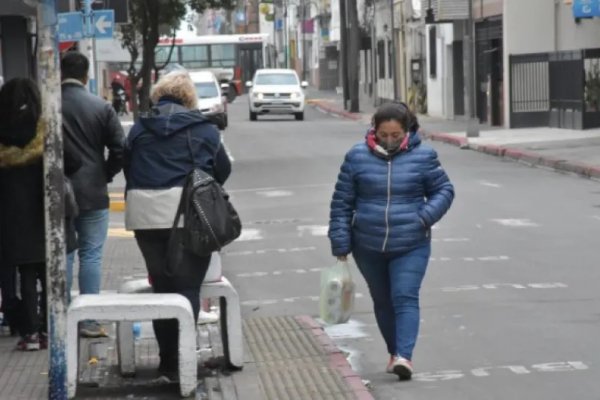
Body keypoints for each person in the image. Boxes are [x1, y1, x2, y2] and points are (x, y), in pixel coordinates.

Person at [328, 102, 454, 380]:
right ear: (374, 130)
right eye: (384, 134)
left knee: (404, 296)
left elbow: (444, 190)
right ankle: (394, 351)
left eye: (396, 135)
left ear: (407, 131)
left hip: (411, 243)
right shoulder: (356, 157)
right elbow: (342, 202)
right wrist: (340, 240)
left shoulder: (424, 156)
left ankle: (404, 357)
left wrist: (423, 218)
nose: (389, 140)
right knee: (382, 300)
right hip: (367, 244)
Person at [124, 71, 231, 380]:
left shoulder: (140, 128)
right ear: (189, 97)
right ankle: (185, 360)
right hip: (189, 215)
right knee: (187, 287)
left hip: (145, 214)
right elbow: (221, 169)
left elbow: (128, 168)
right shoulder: (205, 130)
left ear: (159, 96)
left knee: (162, 287)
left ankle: (167, 361)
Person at [0, 78, 81, 350]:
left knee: (24, 271)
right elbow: (74, 161)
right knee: (49, 272)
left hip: (11, 216)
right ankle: (50, 329)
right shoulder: (47, 128)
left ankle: (30, 333)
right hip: (45, 210)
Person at [61, 51, 126, 338]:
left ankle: (60, 317)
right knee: (91, 254)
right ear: (87, 75)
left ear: (60, 73)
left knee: (63, 254)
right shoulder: (101, 107)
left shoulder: (48, 106)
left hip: (56, 192)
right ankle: (88, 321)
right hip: (92, 191)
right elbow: (120, 149)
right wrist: (105, 174)